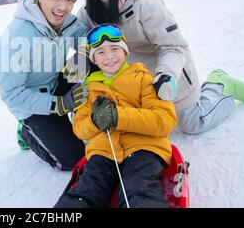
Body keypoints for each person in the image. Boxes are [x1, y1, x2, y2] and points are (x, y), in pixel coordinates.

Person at [64, 0, 244, 135]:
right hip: (133, 85)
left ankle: (220, 84)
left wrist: (166, 75)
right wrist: (74, 83)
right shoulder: (87, 14)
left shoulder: (144, 2)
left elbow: (175, 46)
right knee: (138, 132)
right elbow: (77, 53)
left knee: (193, 124)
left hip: (166, 74)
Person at [54, 24, 177, 208]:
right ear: (93, 59)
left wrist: (119, 116)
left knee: (138, 188)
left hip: (143, 148)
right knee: (86, 190)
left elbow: (164, 119)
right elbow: (80, 129)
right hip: (103, 151)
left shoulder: (143, 79)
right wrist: (95, 121)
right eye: (101, 52)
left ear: (126, 51)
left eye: (114, 49)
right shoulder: (89, 89)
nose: (109, 56)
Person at [0, 0, 90, 170]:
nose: (63, 7)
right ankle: (27, 133)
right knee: (73, 160)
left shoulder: (65, 22)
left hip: (55, 83)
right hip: (32, 103)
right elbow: (12, 95)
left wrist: (81, 56)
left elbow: (84, 37)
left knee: (93, 69)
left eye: (70, 0)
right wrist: (60, 104)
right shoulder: (16, 38)